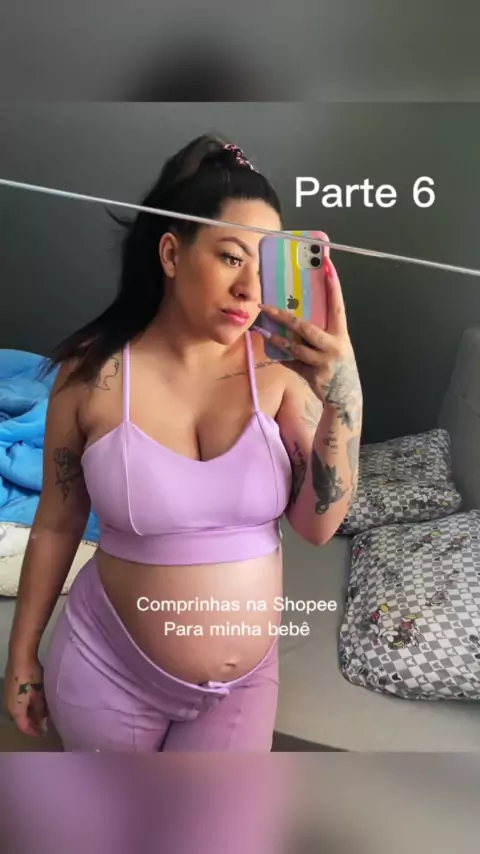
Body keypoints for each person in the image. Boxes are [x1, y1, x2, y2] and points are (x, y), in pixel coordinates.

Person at [3, 134, 363, 752]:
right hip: (106, 669)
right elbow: (58, 522)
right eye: (230, 257)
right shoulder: (93, 373)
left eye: (264, 265)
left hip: (242, 688)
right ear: (172, 253)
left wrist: (344, 397)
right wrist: (21, 658)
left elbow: (318, 525)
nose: (250, 289)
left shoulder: (281, 373)